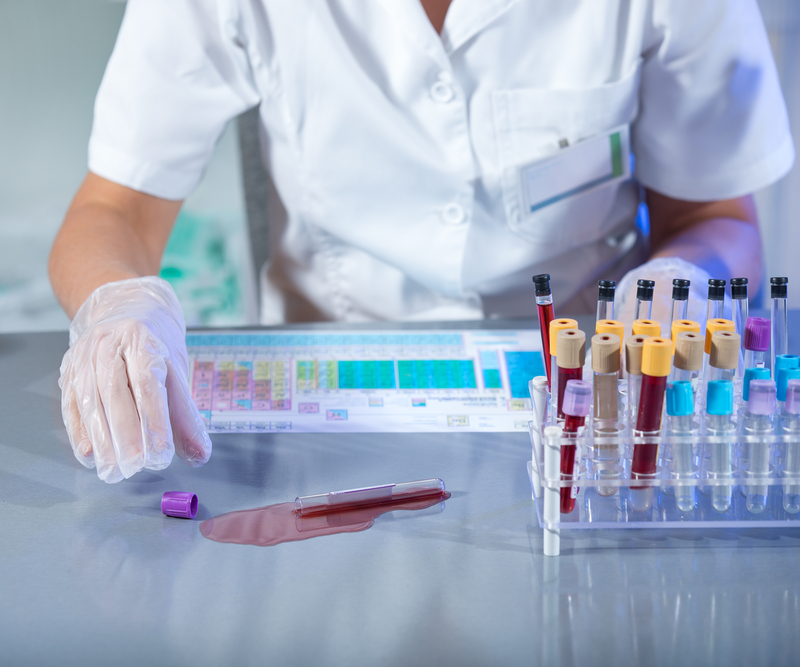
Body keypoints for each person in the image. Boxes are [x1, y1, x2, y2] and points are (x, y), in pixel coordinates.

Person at [49, 0, 794, 482]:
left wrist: (684, 276)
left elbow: (715, 217)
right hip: (324, 408)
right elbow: (111, 211)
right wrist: (117, 304)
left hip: (592, 406)